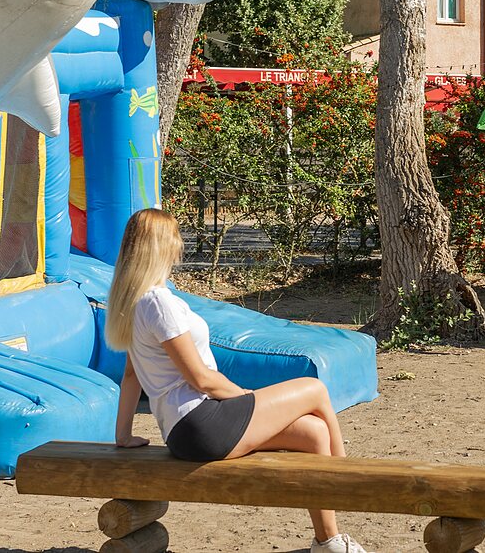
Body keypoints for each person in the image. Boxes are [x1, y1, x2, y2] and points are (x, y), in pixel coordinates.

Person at [106, 208, 368, 553]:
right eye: (175, 238)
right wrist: (244, 396)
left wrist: (122, 436)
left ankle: (329, 541)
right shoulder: (159, 303)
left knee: (314, 432)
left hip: (185, 430)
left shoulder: (137, 301)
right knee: (315, 389)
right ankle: (348, 478)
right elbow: (201, 379)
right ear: (162, 246)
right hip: (201, 422)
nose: (179, 245)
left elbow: (130, 375)